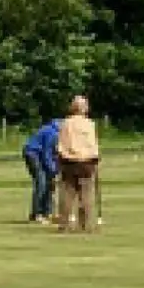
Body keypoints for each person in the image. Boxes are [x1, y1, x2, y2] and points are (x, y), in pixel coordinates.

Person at [56, 95, 101, 233]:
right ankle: (86, 225)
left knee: (67, 194)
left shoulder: (65, 123)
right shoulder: (89, 124)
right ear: (83, 108)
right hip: (86, 162)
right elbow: (93, 144)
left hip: (69, 162)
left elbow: (61, 145)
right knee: (86, 195)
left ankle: (64, 224)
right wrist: (96, 158)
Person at [23, 118, 60, 224]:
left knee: (48, 183)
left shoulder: (58, 133)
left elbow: (55, 154)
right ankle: (36, 214)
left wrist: (54, 170)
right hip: (32, 153)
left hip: (40, 155)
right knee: (41, 182)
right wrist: (53, 170)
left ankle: (47, 213)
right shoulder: (52, 133)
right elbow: (47, 154)